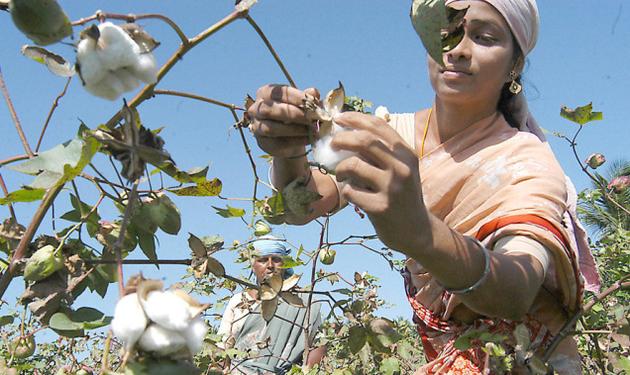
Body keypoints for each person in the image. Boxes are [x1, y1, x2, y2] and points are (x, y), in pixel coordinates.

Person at [246, 1, 601, 373]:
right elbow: (301, 207)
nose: (460, 49)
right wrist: (288, 150)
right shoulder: (388, 135)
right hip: (446, 351)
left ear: (515, 65)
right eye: (448, 32)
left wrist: (420, 233)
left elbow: (516, 288)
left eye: (484, 37)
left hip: (526, 360)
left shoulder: (525, 159)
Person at [217, 237, 325, 374]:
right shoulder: (238, 302)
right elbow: (221, 348)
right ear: (253, 265)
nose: (270, 265)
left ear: (285, 264)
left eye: (276, 259)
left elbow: (318, 345)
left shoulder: (302, 303)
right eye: (262, 260)